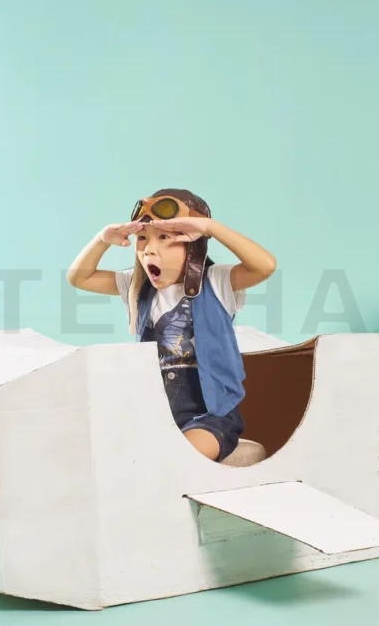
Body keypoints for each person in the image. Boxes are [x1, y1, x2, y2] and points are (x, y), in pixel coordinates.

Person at [66, 189, 276, 462]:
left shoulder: (217, 282)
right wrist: (102, 239)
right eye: (142, 238)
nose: (149, 249)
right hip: (154, 409)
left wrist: (210, 227)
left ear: (193, 243)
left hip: (210, 416)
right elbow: (79, 278)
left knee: (176, 459)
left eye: (164, 238)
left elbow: (265, 265)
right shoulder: (137, 286)